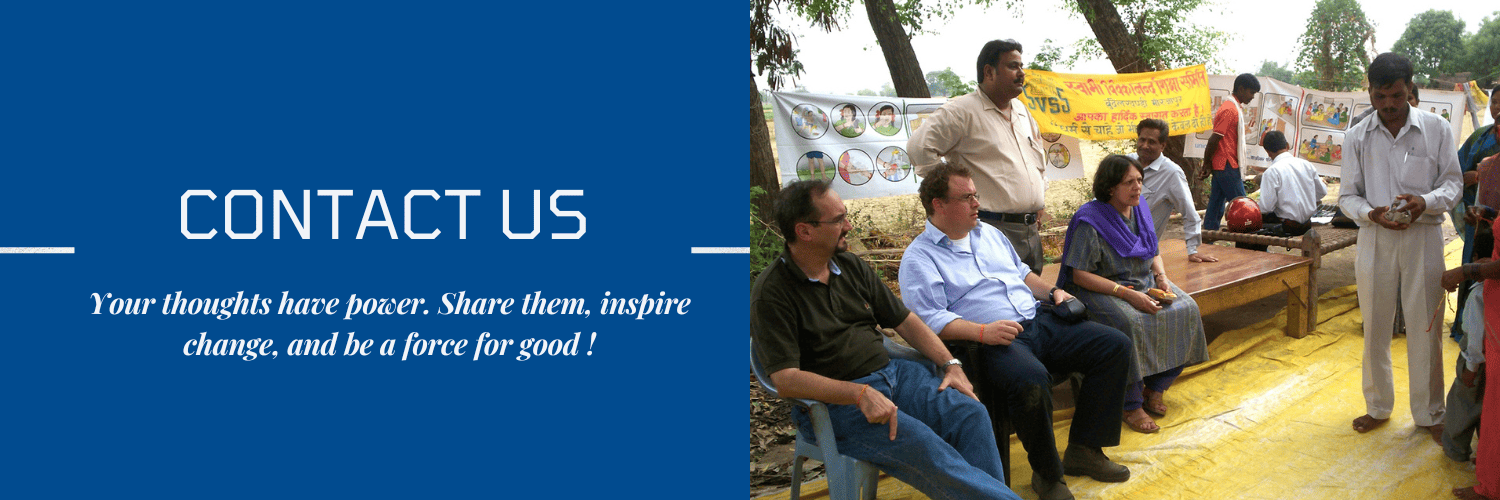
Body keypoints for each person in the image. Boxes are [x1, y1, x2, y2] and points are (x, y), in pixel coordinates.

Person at [750, 180, 1021, 500]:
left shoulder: (849, 266)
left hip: (894, 376)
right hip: (835, 405)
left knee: (970, 414)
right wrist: (859, 393)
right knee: (926, 446)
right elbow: (785, 380)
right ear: (805, 231)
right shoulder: (773, 292)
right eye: (838, 220)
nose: (849, 226)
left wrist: (951, 364)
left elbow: (905, 321)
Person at [899, 163, 1133, 500]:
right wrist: (982, 332)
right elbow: (929, 320)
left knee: (1114, 345)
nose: (977, 203)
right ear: (939, 204)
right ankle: (1048, 476)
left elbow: (1022, 274)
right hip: (989, 341)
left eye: (976, 195)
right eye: (966, 197)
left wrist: (1054, 292)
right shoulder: (919, 258)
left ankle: (1085, 449)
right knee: (1030, 379)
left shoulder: (989, 233)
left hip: (1037, 319)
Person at [1338, 52, 1462, 439]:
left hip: (1423, 237)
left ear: (1410, 88)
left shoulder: (1437, 129)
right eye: (1380, 96)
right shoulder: (1357, 135)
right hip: (1375, 238)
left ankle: (1430, 413)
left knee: (1425, 327)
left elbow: (1453, 183)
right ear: (1369, 92)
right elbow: (1346, 197)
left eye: (1396, 95)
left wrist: (1426, 201)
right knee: (1375, 325)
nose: (1389, 104)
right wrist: (1371, 214)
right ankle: (1378, 406)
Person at [1058, 155, 1210, 434]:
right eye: (1129, 182)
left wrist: (1162, 278)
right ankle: (1130, 403)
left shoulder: (1140, 210)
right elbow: (1079, 275)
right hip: (1101, 287)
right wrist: (1126, 295)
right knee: (1130, 322)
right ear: (1110, 187)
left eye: (1140, 180)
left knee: (1186, 309)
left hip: (1142, 280)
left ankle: (1156, 386)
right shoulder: (1090, 220)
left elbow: (1153, 250)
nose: (1137, 187)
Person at [909, 39, 1049, 275]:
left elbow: (1037, 161)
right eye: (1013, 66)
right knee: (997, 293)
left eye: (1021, 66)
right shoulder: (962, 111)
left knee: (1032, 294)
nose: (1021, 73)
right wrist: (951, 194)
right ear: (989, 72)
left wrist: (1037, 199)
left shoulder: (1022, 111)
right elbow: (919, 148)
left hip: (1029, 230)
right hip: (987, 228)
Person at [1441, 152, 1500, 500]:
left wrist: (1467, 271)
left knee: (1480, 404)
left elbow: (1475, 336)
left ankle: (1486, 480)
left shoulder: (1479, 293)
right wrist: (1489, 215)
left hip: (1486, 339)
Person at [1126, 118, 1217, 263]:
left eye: (1151, 142)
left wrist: (1192, 250)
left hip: (1140, 252)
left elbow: (1189, 213)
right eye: (1142, 140)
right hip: (1110, 241)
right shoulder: (1125, 163)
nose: (1144, 145)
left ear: (1162, 146)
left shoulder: (1171, 173)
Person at [1441, 215, 1494, 463]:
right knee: (1488, 406)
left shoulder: (1478, 296)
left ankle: (1456, 449)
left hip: (1476, 360)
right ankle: (1486, 452)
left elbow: (1475, 335)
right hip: (1490, 358)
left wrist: (1471, 367)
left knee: (1462, 405)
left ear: (1478, 261)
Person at [1451, 87, 1500, 345]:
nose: (1498, 108)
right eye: (1495, 102)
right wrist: (1467, 179)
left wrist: (1483, 177)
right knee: (1473, 264)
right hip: (1478, 217)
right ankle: (1466, 329)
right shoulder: (1480, 137)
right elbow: (1455, 170)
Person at [1201, 74, 1260, 230]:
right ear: (1241, 89)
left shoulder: (1233, 107)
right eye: (1251, 92)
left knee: (1216, 205)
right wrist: (1206, 163)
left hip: (1223, 164)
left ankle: (1208, 237)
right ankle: (1247, 241)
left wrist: (1209, 163)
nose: (1252, 97)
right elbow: (1214, 138)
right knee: (1244, 208)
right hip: (1227, 164)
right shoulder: (1229, 109)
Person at [1256, 130, 1327, 237]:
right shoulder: (1306, 165)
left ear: (1268, 152)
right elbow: (1322, 192)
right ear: (1287, 146)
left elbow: (1266, 208)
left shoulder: (1271, 171)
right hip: (1307, 225)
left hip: (1286, 227)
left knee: (1249, 225)